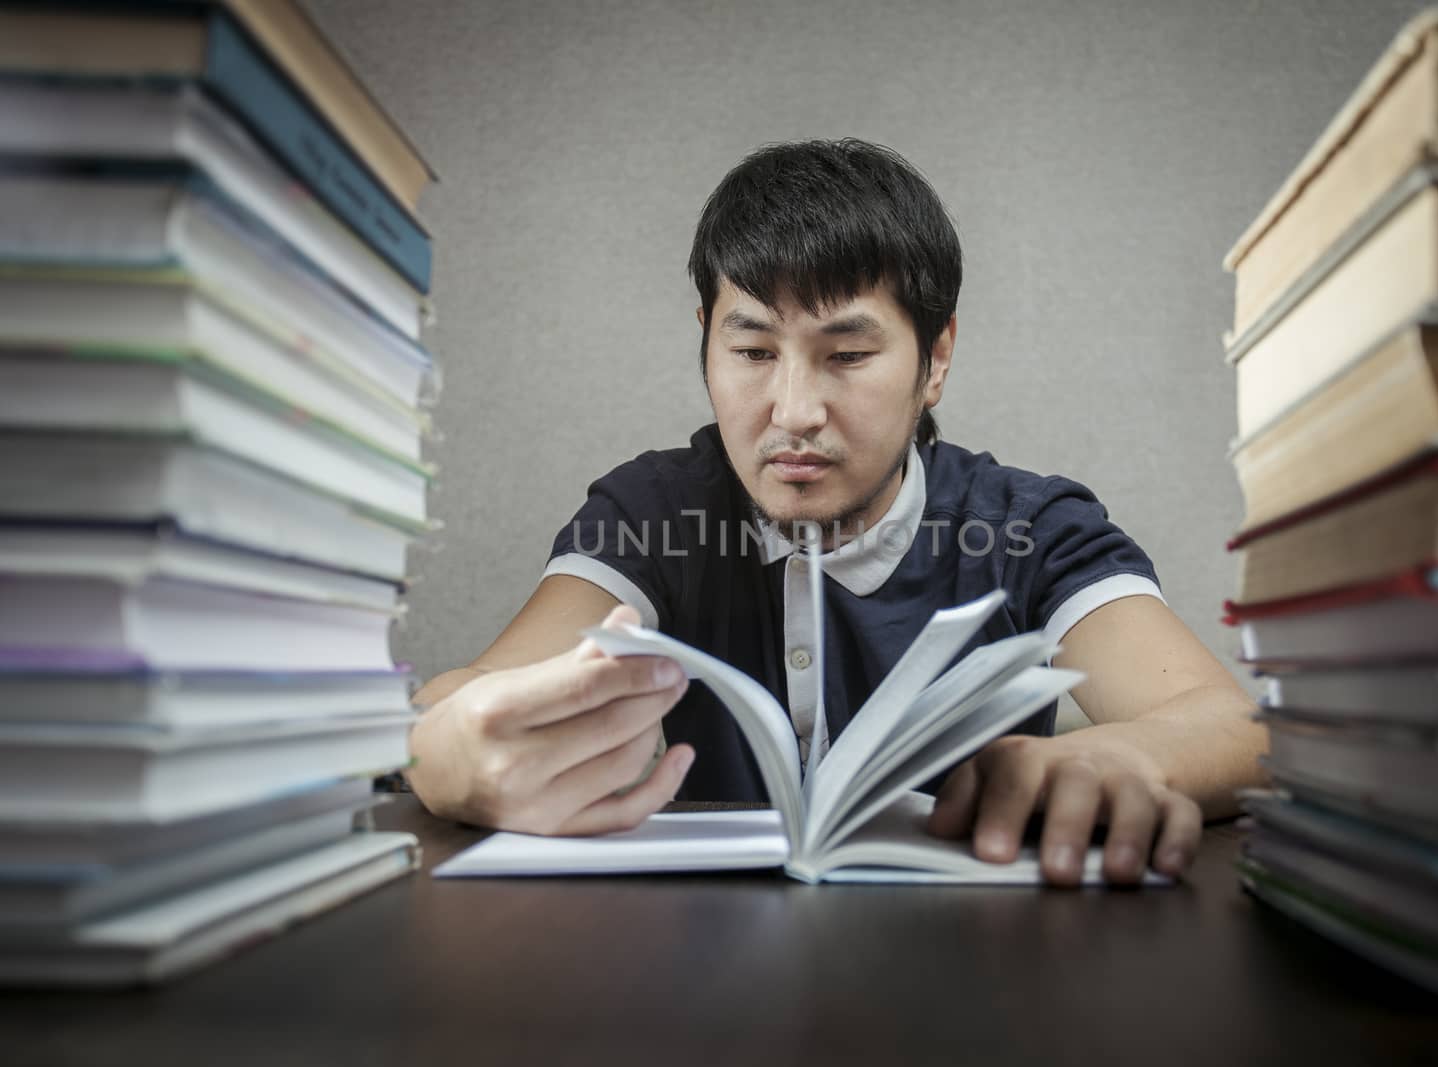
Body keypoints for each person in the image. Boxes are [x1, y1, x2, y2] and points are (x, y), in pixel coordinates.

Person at [406, 139, 1266, 886]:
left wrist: (1115, 755)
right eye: (750, 351)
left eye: (847, 355)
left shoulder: (1027, 526)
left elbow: (1231, 725)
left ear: (936, 359)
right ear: (704, 338)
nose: (792, 412)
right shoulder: (651, 510)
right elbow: (466, 698)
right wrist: (449, 757)